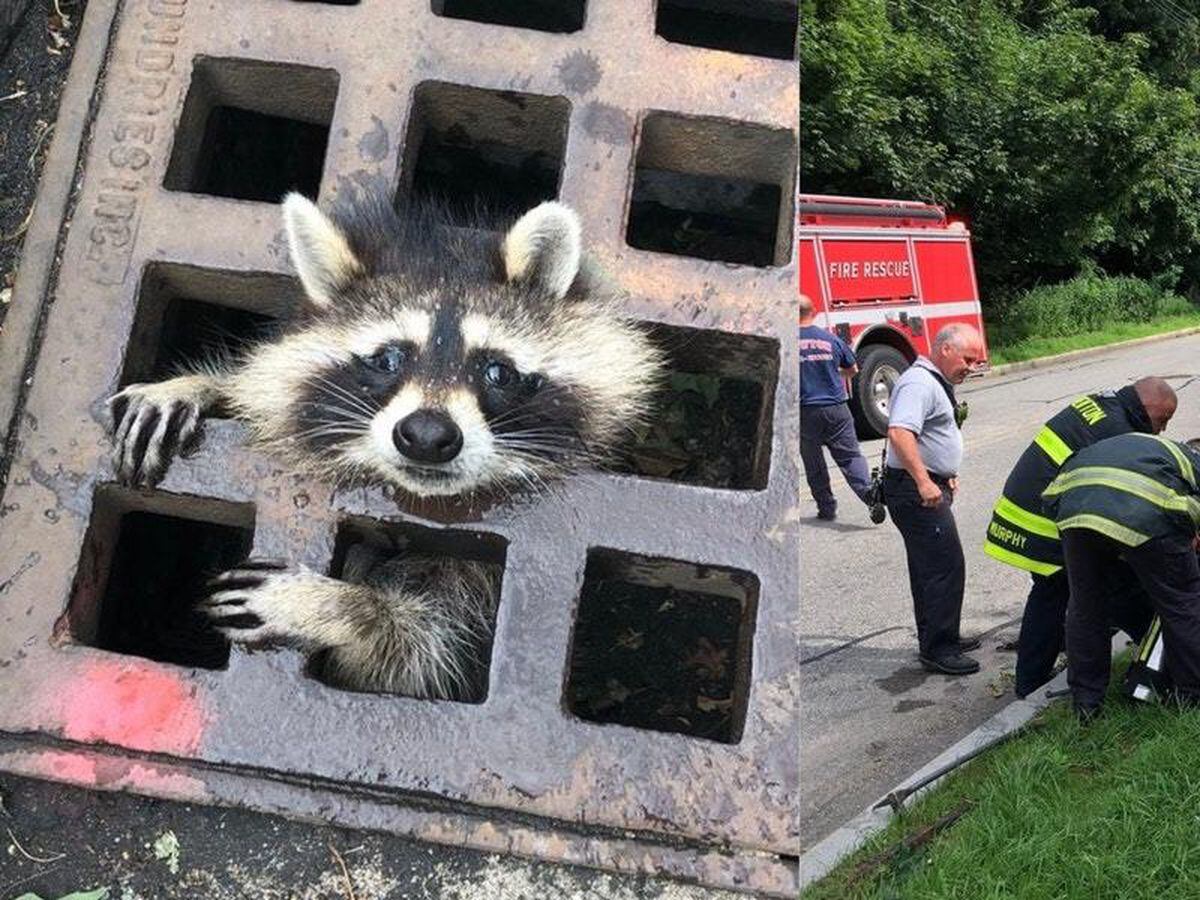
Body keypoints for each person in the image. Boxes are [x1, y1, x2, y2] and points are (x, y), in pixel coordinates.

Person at [983, 378, 1177, 698]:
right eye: (1162, 421)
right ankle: (1030, 685)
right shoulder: (1120, 434)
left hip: (1029, 505)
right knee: (1073, 590)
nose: (1163, 430)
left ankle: (1036, 677)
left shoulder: (1107, 403)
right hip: (1041, 519)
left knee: (1068, 591)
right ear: (1147, 410)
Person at [1042, 431, 1200, 719]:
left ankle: (1086, 703)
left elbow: (1052, 498)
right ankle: (1192, 695)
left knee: (1086, 607)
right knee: (1183, 603)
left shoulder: (1148, 449)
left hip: (1075, 514)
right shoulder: (1192, 464)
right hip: (1147, 517)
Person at [883, 323, 986, 675]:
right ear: (945, 350)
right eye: (968, 359)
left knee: (930, 567)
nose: (971, 367)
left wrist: (945, 472)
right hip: (916, 493)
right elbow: (899, 432)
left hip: (925, 486)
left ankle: (942, 637)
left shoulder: (933, 381)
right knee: (944, 567)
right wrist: (925, 481)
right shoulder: (919, 383)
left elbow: (931, 433)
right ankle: (939, 649)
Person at [798, 292, 874, 521]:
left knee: (814, 463)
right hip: (837, 408)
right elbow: (852, 370)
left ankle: (827, 508)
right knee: (851, 457)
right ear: (813, 313)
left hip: (805, 412)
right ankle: (870, 494)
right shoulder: (830, 339)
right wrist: (835, 372)